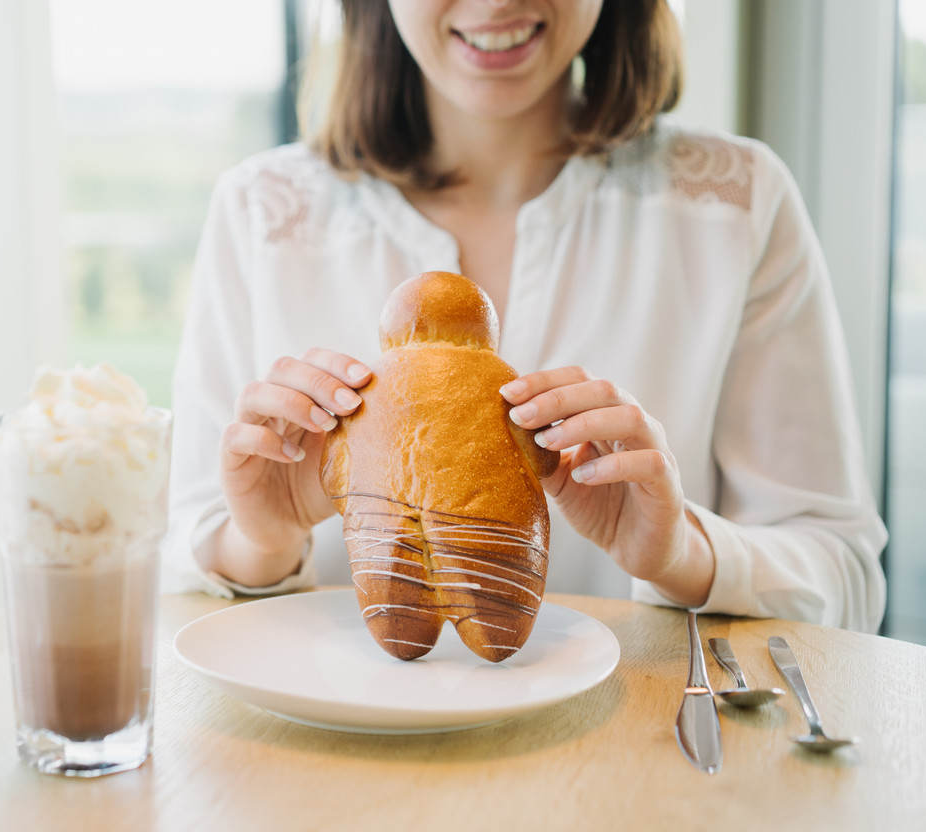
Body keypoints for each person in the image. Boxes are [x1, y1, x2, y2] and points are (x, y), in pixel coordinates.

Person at [164, 0, 887, 632]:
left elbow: (846, 578)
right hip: (333, 743)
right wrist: (260, 541)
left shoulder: (736, 206)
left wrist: (681, 553)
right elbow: (169, 575)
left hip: (637, 740)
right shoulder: (259, 212)